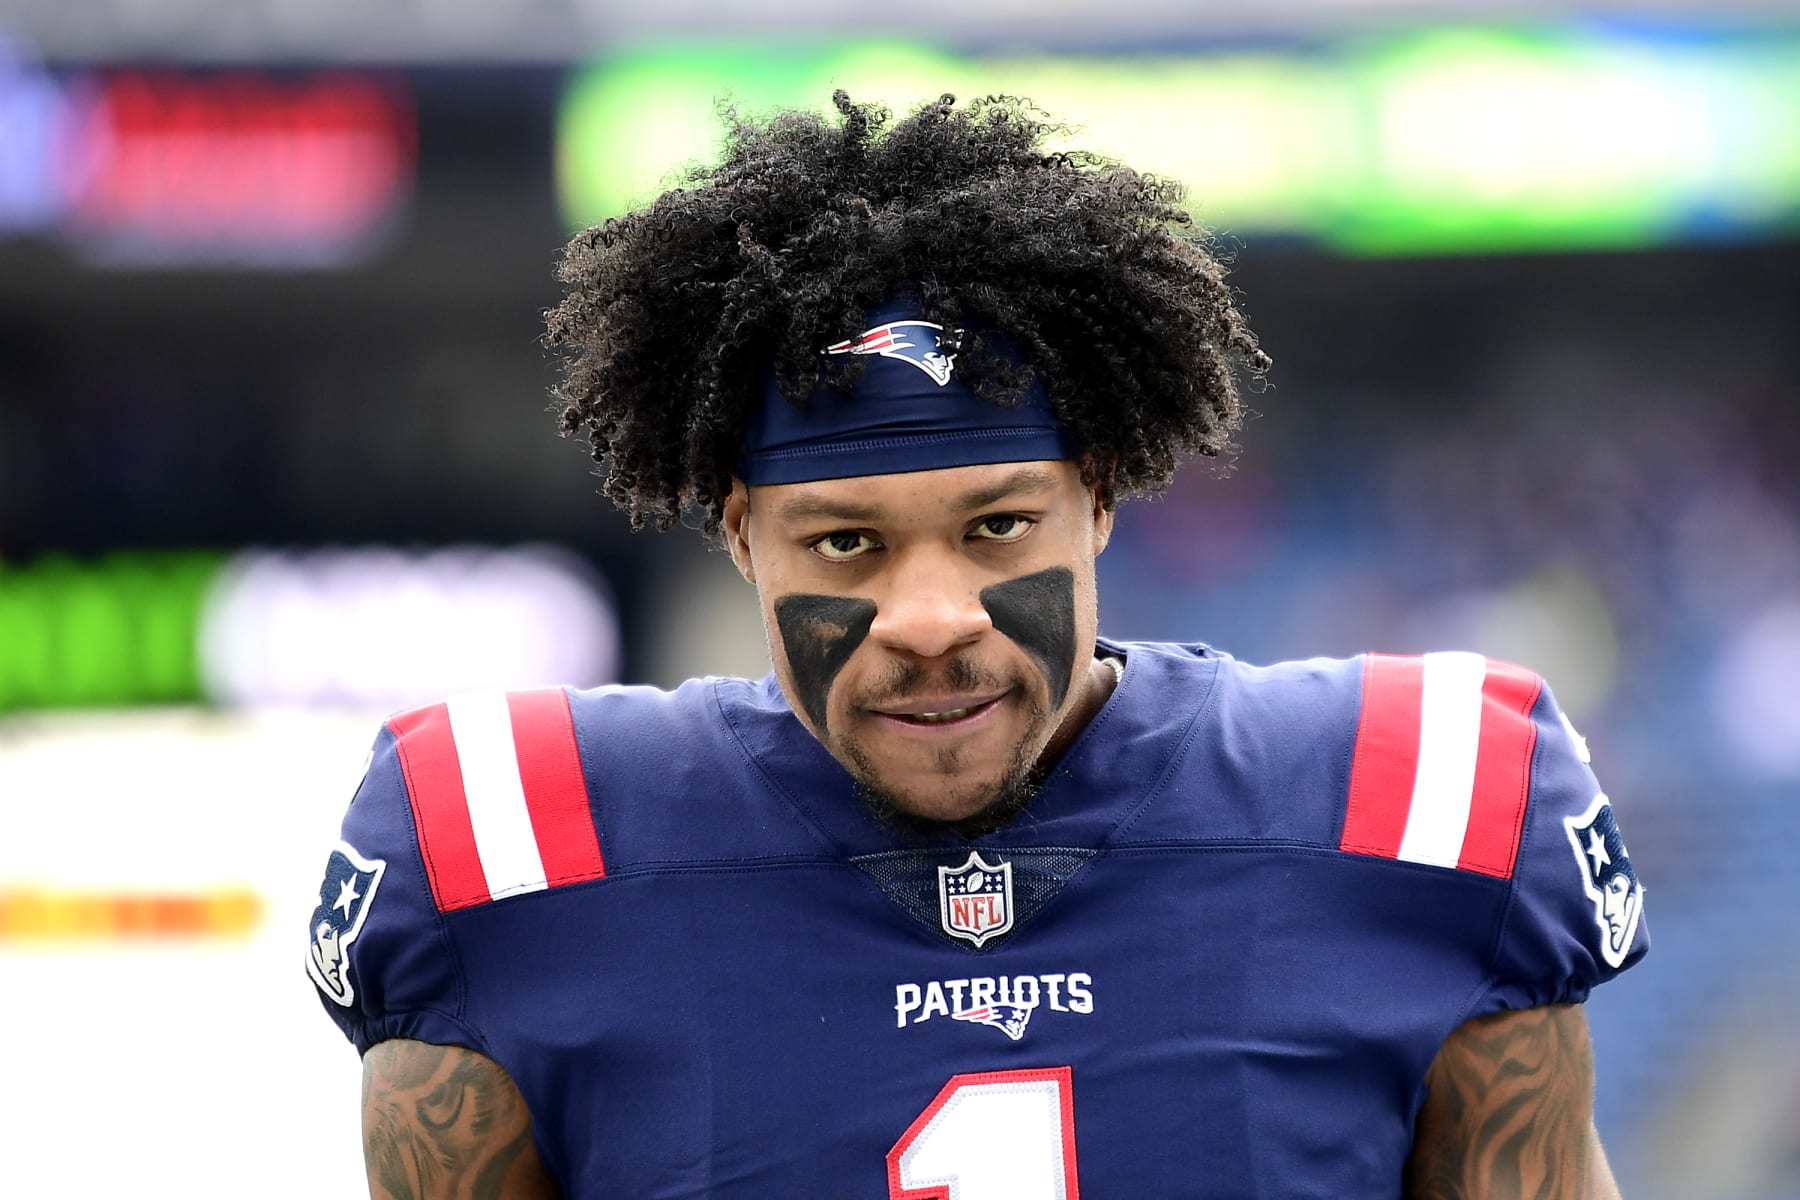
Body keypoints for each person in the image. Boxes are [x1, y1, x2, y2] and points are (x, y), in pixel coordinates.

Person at [308, 92, 1648, 1198]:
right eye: (846, 542)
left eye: (999, 527)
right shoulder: (502, 847)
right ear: (740, 534)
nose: (931, 617)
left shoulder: (1423, 805)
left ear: (1099, 498)